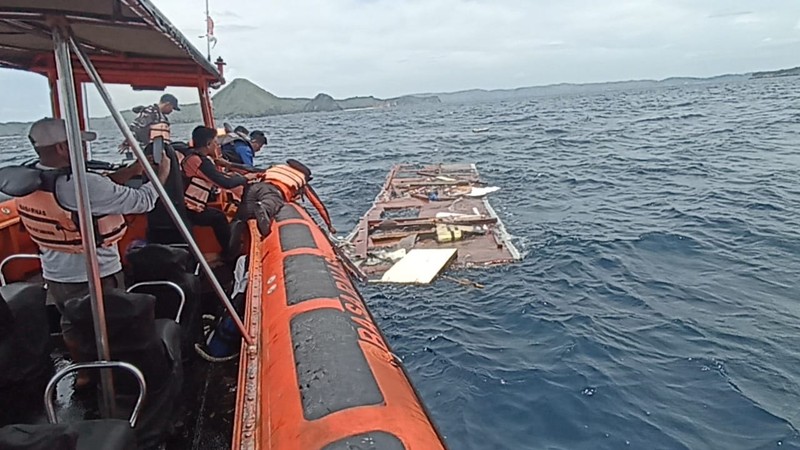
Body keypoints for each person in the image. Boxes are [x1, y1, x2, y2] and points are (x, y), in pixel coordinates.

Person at [4, 118, 171, 387]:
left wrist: (132, 170)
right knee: (115, 325)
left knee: (70, 323)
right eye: (78, 142)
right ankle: (121, 381)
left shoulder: (31, 177)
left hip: (55, 273)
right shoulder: (83, 185)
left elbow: (99, 188)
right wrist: (161, 173)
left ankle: (83, 374)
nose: (83, 147)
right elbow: (143, 201)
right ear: (61, 147)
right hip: (96, 273)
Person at [178, 126, 258, 259]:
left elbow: (216, 176)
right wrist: (245, 179)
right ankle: (230, 254)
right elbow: (224, 183)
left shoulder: (192, 156)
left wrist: (229, 168)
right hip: (189, 209)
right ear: (208, 144)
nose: (217, 145)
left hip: (184, 205)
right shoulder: (201, 162)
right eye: (215, 142)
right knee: (218, 217)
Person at [239, 159, 335, 238]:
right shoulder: (302, 182)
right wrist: (329, 225)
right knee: (272, 203)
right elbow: (318, 205)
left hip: (256, 187)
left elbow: (251, 170)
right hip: (275, 192)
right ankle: (263, 208)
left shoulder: (278, 169)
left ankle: (232, 244)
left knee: (241, 217)